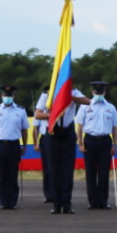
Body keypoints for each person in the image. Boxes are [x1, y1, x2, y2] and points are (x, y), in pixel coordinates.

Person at [45, 84, 90, 214]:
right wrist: (53, 114)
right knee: (54, 170)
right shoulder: (49, 93)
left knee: (67, 170)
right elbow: (37, 114)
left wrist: (68, 96)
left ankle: (67, 203)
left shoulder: (74, 92)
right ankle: (56, 204)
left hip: (68, 132)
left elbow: (88, 101)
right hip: (53, 132)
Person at [76, 81, 117, 210]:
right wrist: (80, 143)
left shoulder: (110, 108)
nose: (98, 94)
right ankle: (92, 201)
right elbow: (79, 126)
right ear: (92, 92)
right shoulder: (85, 106)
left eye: (100, 92)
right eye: (96, 91)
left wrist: (114, 145)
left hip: (105, 141)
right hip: (89, 141)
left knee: (104, 172)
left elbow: (115, 128)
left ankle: (103, 201)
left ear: (104, 92)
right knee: (90, 172)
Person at [0, 85, 29, 209]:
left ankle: (12, 202)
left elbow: (24, 130)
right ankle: (3, 201)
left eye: (10, 96)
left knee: (12, 175)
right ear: (1, 96)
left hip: (13, 145)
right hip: (0, 145)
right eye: (5, 96)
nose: (7, 98)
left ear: (13, 96)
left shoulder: (20, 111)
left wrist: (25, 145)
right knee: (1, 175)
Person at [33, 90, 53, 204]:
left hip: (58, 136)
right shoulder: (42, 107)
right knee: (47, 168)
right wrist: (35, 143)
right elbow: (35, 128)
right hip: (45, 138)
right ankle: (48, 194)